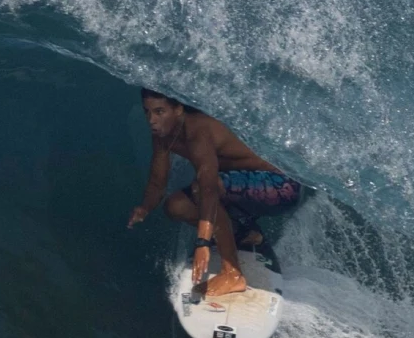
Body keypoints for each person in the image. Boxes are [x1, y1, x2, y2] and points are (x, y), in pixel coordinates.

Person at [127, 90, 302, 300]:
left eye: (159, 112)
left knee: (201, 189)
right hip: (242, 187)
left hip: (281, 187)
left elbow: (208, 188)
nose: (152, 120)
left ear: (178, 109)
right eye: (148, 112)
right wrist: (145, 207)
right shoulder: (164, 135)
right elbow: (157, 182)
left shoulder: (197, 130)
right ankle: (244, 232)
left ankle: (233, 274)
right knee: (175, 206)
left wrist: (202, 242)